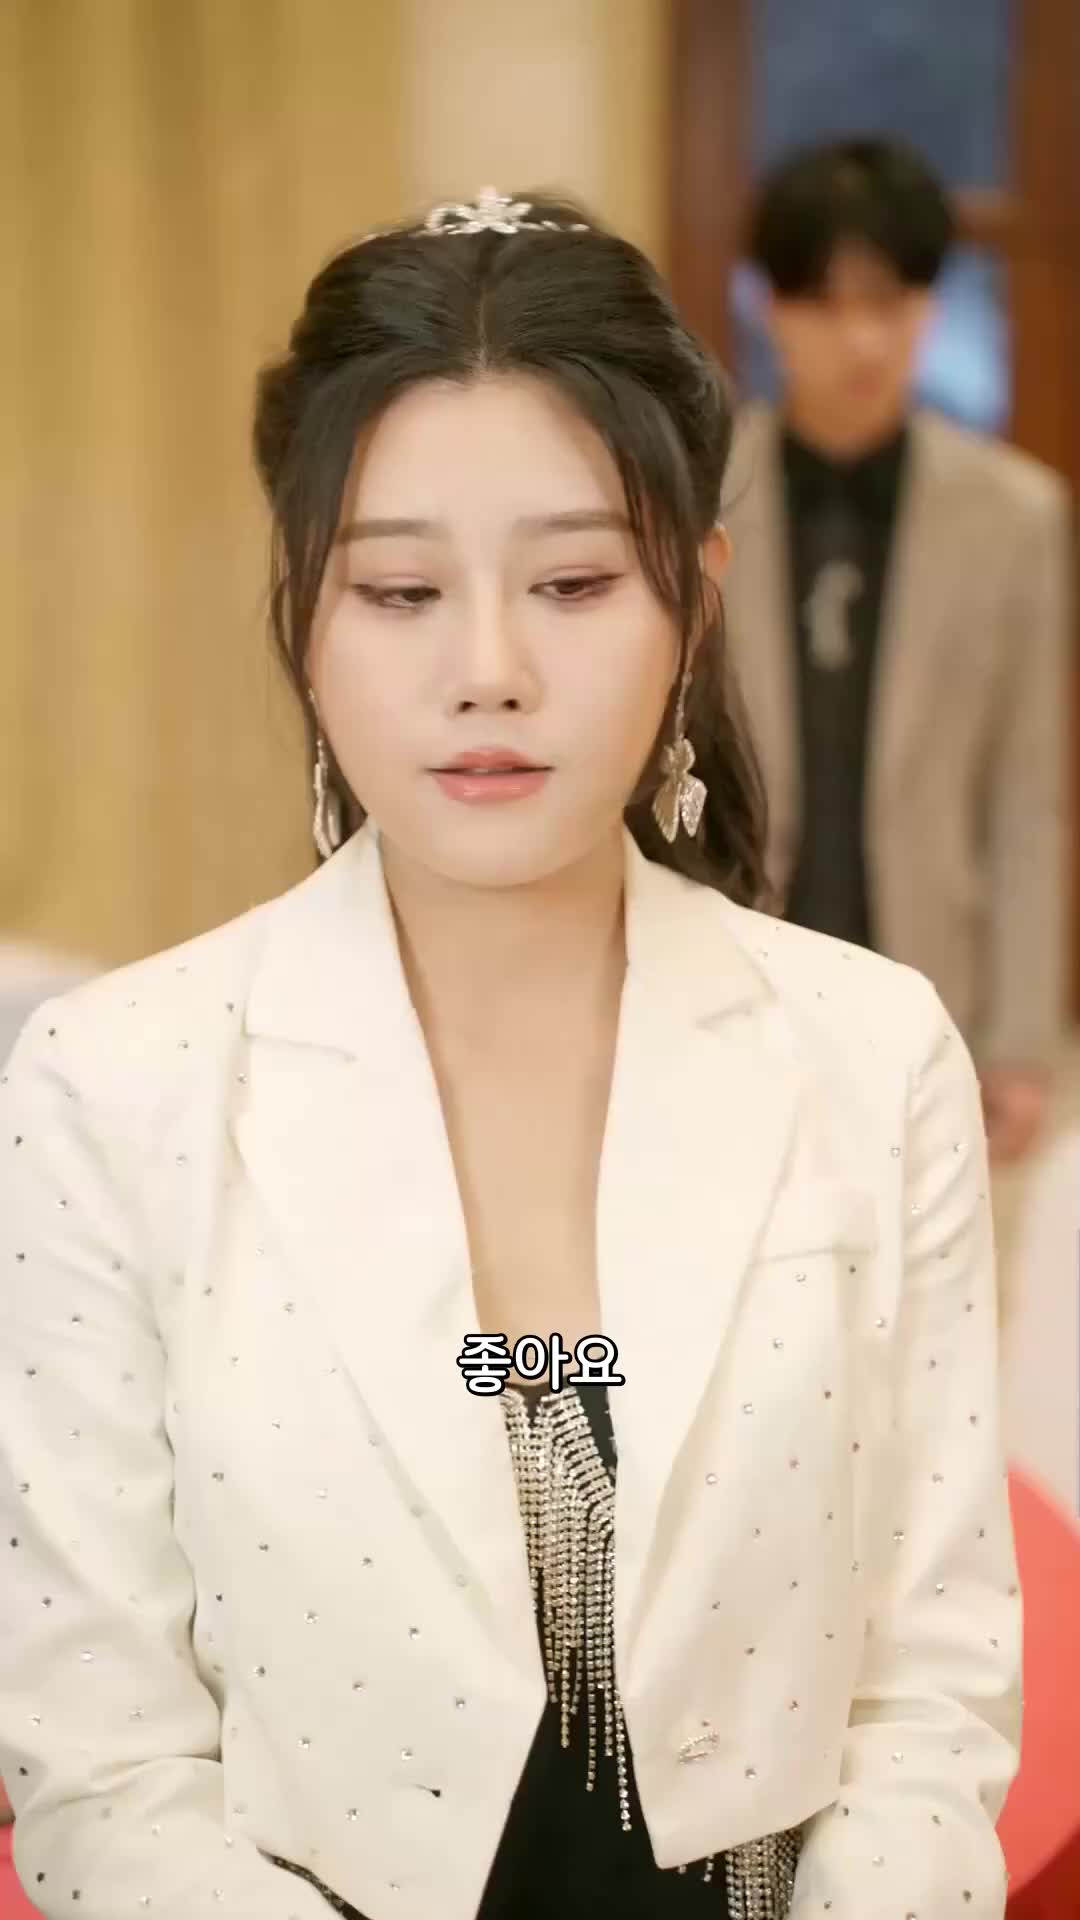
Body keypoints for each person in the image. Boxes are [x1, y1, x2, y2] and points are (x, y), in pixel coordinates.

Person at [0, 186, 1019, 1920]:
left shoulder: (868, 1048)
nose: (488, 670)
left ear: (694, 604)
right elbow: (103, 1765)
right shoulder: (116, 1083)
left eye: (572, 583)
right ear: (302, 611)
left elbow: (929, 1686)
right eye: (400, 589)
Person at [723, 138, 1072, 1170]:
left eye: (891, 302)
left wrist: (1020, 1041)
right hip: (728, 983)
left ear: (931, 303)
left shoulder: (1015, 515)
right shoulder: (695, 496)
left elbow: (1028, 796)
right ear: (767, 304)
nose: (863, 339)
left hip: (932, 987)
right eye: (826, 303)